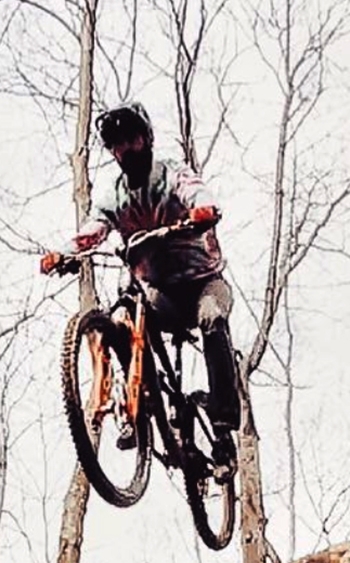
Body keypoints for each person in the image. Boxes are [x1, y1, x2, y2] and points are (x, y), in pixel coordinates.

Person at [39, 101, 241, 467]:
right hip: (161, 293)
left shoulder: (170, 174)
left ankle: (224, 426)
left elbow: (198, 193)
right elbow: (93, 230)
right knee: (127, 312)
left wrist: (203, 211)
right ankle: (138, 403)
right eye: (116, 144)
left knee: (212, 317)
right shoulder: (114, 196)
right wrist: (63, 253)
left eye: (130, 139)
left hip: (203, 283)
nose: (124, 150)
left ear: (145, 138)